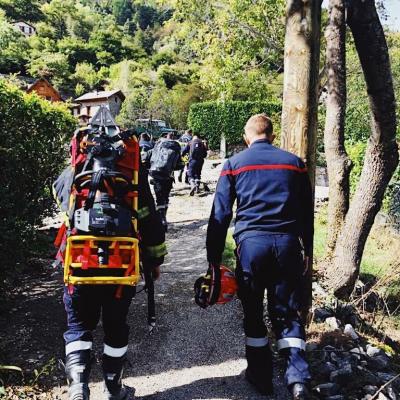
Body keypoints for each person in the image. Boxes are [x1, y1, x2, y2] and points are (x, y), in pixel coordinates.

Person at [55, 124, 167, 400]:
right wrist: (154, 261)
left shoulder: (74, 172)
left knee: (78, 325)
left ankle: (77, 389)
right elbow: (150, 221)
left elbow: (61, 201)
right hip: (121, 267)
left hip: (80, 265)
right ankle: (112, 389)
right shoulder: (132, 180)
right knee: (116, 326)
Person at [206, 114, 313, 400]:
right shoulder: (295, 164)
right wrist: (308, 251)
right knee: (288, 311)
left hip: (252, 247)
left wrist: (213, 260)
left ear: (246, 137)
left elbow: (221, 214)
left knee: (253, 312)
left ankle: (260, 376)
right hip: (289, 245)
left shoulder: (233, 165)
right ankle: (298, 380)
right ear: (273, 135)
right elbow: (306, 213)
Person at [149, 133, 183, 230]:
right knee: (165, 197)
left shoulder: (158, 145)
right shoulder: (176, 147)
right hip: (168, 176)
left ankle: (161, 219)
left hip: (156, 175)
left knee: (159, 198)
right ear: (173, 138)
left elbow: (147, 159)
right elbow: (180, 165)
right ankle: (164, 218)